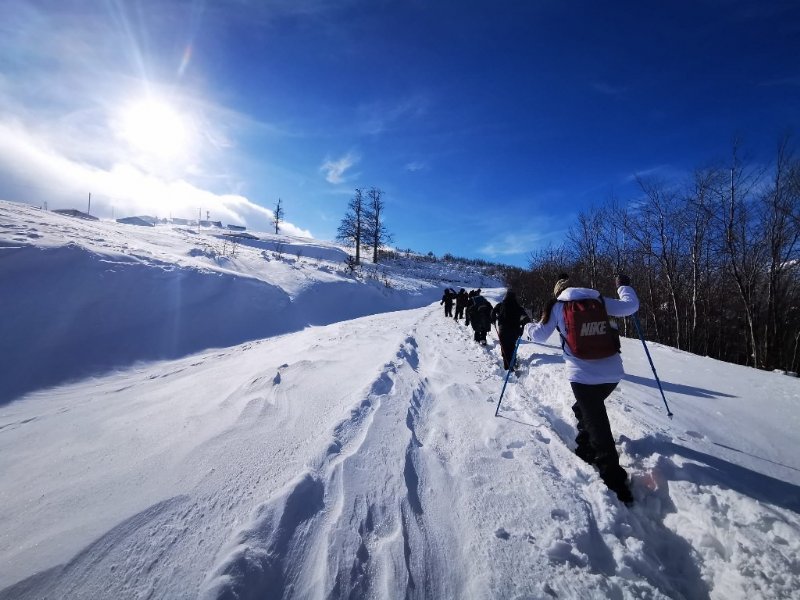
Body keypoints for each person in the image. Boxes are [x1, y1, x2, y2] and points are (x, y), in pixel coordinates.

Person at [522, 274, 639, 505]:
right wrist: (623, 286)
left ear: (558, 292)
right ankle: (585, 446)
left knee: (597, 423)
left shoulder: (558, 306)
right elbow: (631, 306)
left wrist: (526, 326)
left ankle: (614, 479)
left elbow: (539, 335)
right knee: (586, 409)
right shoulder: (599, 301)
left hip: (583, 377)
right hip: (613, 373)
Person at [491, 290, 530, 369]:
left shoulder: (501, 305)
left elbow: (493, 311)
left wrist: (493, 319)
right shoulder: (518, 307)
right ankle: (512, 363)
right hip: (515, 331)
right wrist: (523, 323)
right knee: (511, 346)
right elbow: (525, 318)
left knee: (504, 349)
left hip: (503, 330)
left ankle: (508, 366)